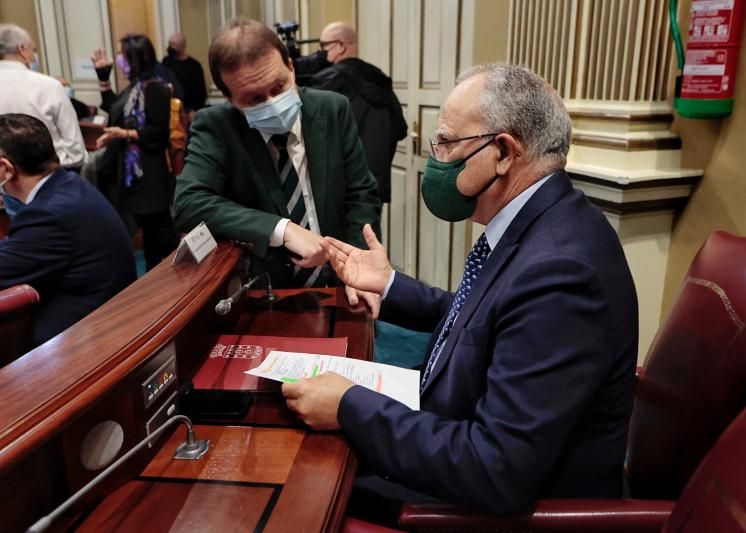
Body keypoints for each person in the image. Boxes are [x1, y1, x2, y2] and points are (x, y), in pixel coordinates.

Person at [282, 64, 639, 518]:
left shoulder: (562, 273)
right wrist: (389, 284)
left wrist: (350, 406)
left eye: (447, 143)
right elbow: (487, 318)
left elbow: (495, 468)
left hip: (505, 509)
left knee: (305, 493)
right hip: (461, 431)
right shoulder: (544, 219)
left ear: (504, 152)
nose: (435, 156)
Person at [173, 17, 380, 289]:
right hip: (266, 291)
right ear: (230, 99)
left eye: (278, 87)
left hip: (340, 279)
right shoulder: (216, 126)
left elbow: (360, 194)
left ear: (291, 68)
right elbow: (189, 202)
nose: (272, 104)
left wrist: (356, 264)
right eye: (254, 99)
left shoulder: (333, 108)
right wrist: (282, 229)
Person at [0, 113, 136, 348]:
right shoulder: (68, 185)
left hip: (80, 342)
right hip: (108, 316)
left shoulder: (48, 215)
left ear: (6, 169)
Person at [91, 34, 180, 270]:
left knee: (162, 231)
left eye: (121, 54)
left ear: (136, 57)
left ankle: (180, 276)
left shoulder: (155, 88)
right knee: (149, 231)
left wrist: (124, 134)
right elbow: (114, 109)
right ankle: (155, 277)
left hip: (151, 172)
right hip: (136, 172)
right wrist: (103, 78)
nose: (118, 58)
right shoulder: (134, 87)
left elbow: (157, 134)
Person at [308, 22, 407, 207]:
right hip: (375, 186)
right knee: (370, 235)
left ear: (341, 46)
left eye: (323, 46)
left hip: (340, 189)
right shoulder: (379, 79)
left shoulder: (329, 80)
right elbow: (400, 129)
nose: (319, 53)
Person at [0, 24, 87, 171]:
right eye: (34, 50)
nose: (35, 56)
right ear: (22, 49)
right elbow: (75, 151)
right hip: (49, 176)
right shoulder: (49, 86)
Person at [162, 32, 207, 116]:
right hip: (171, 111)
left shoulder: (194, 66)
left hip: (189, 111)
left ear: (182, 47)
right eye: (169, 44)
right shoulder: (166, 62)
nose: (169, 47)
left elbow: (201, 92)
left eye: (173, 44)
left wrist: (195, 110)